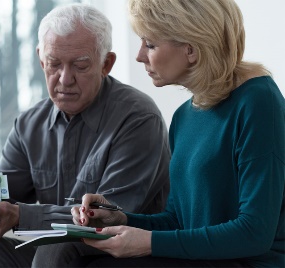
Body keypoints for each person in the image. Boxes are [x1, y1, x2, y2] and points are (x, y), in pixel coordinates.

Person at [0, 3, 171, 267]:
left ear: (106, 64)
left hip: (118, 254)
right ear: (41, 60)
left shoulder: (138, 118)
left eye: (81, 66)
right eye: (53, 64)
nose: (64, 79)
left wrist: (20, 216)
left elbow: (108, 217)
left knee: (55, 248)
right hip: (54, 255)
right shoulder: (29, 125)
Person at [70, 0, 285, 267]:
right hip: (201, 260)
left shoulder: (258, 101)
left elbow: (255, 233)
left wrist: (147, 242)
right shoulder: (183, 117)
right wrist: (122, 219)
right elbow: (177, 222)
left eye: (150, 44)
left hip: (246, 263)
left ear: (191, 49)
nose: (139, 56)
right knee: (78, 256)